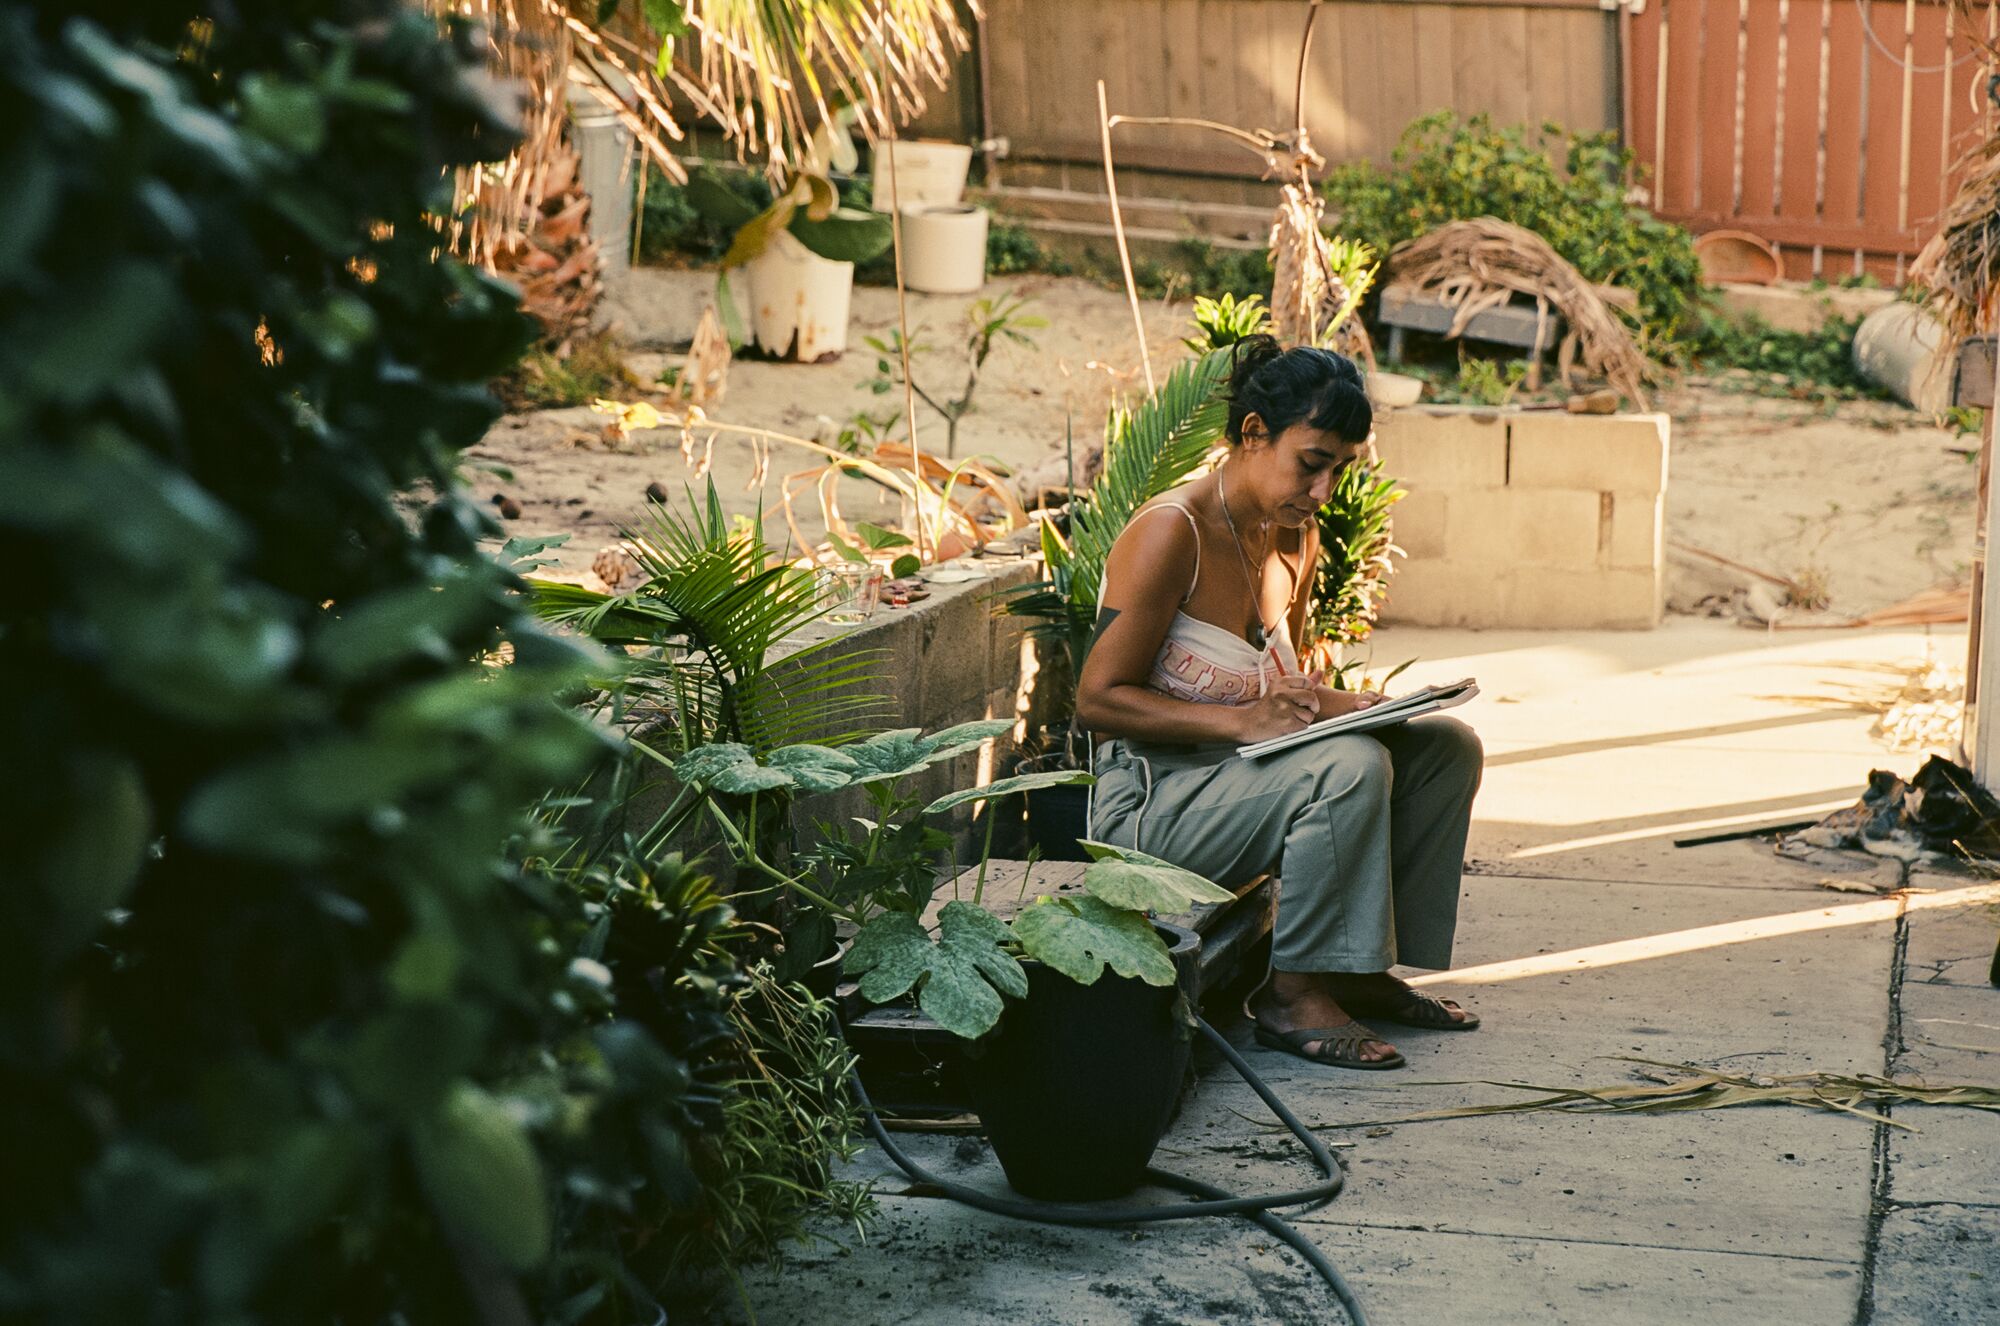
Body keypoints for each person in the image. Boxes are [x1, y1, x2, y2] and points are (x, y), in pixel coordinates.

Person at [1075, 335, 1485, 1070]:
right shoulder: (1173, 534)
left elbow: (1277, 694)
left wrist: (1346, 703)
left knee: (1444, 748)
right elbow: (1098, 701)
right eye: (1312, 462)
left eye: (1339, 468)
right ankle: (1290, 996)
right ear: (1254, 433)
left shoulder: (1291, 536)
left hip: (1246, 780)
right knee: (1348, 768)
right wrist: (1240, 722)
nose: (1323, 489)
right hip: (1150, 806)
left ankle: (1354, 972)